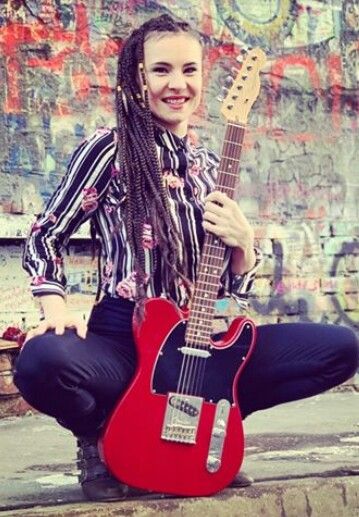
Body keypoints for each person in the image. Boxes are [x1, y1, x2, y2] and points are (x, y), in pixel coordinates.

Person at [14, 14, 358, 502]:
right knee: (40, 361)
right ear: (138, 78)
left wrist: (244, 248)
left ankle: (212, 425)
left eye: (190, 70)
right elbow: (45, 234)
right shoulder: (110, 151)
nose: (177, 84)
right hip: (125, 340)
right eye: (161, 70)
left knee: (341, 348)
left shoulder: (211, 168)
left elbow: (226, 291)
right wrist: (55, 308)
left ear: (204, 78)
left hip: (199, 342)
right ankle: (100, 439)